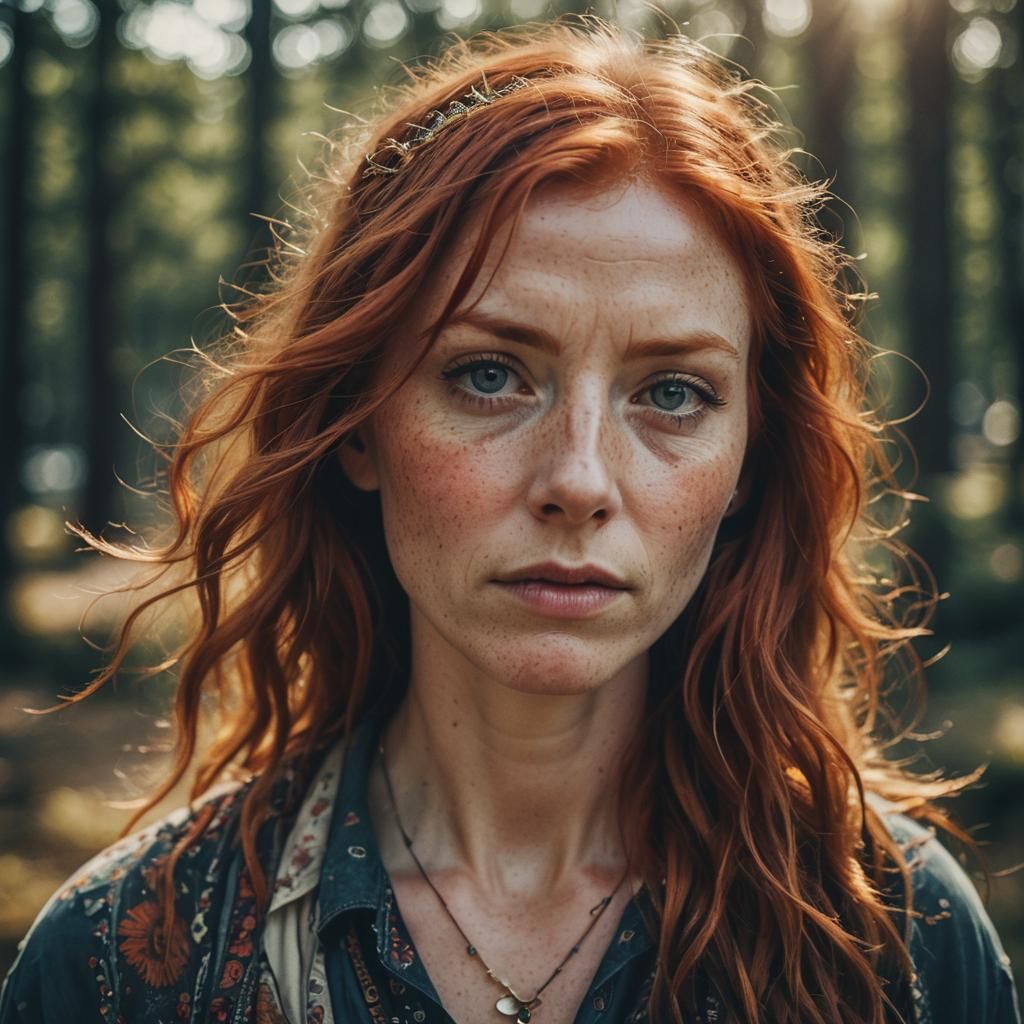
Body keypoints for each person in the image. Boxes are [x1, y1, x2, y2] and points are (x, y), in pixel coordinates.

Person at [0, 16, 1019, 1024]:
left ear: (749, 460)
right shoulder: (120, 963)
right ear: (358, 424)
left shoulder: (898, 941)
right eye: (488, 374)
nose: (578, 480)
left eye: (671, 393)